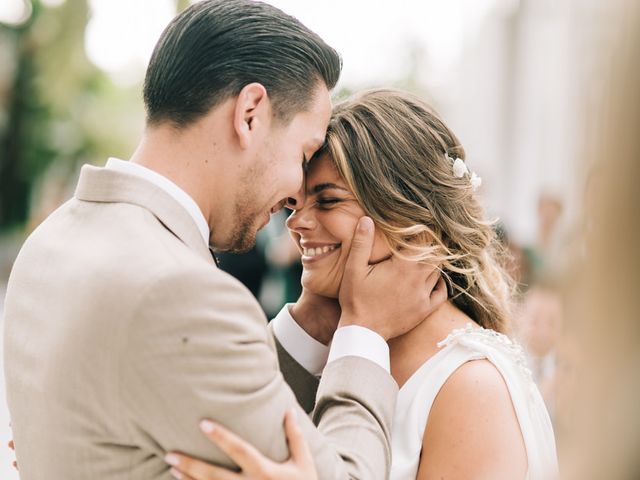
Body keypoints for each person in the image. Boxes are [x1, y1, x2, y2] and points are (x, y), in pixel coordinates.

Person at [2, 2, 447, 479]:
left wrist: (313, 319)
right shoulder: (177, 290)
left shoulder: (53, 241)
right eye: (303, 153)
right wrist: (365, 332)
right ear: (250, 114)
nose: (296, 193)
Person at [169, 89, 559, 479]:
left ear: (408, 216)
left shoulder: (472, 387)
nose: (295, 223)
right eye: (296, 203)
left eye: (327, 201)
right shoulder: (345, 348)